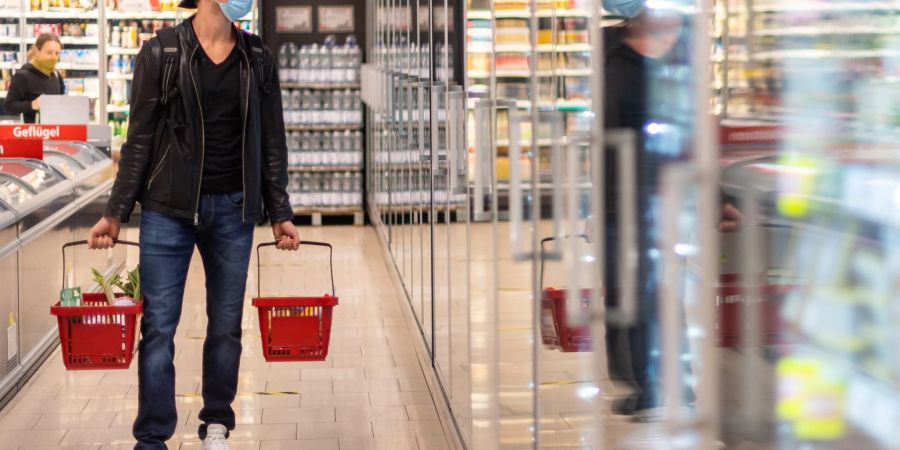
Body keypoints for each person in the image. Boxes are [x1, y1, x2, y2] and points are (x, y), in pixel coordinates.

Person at [87, 0, 299, 449]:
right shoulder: (161, 52)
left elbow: (272, 138)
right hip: (168, 209)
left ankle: (217, 422)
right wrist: (115, 211)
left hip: (234, 209)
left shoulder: (257, 57)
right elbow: (139, 136)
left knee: (225, 323)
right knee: (159, 325)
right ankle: (151, 436)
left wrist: (279, 211)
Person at [4, 33, 65, 123]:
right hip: (33, 133)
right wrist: (32, 105)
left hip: (55, 131)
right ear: (37, 51)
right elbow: (9, 106)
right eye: (49, 52)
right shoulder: (23, 76)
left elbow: (62, 97)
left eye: (57, 53)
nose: (54, 57)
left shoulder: (55, 74)